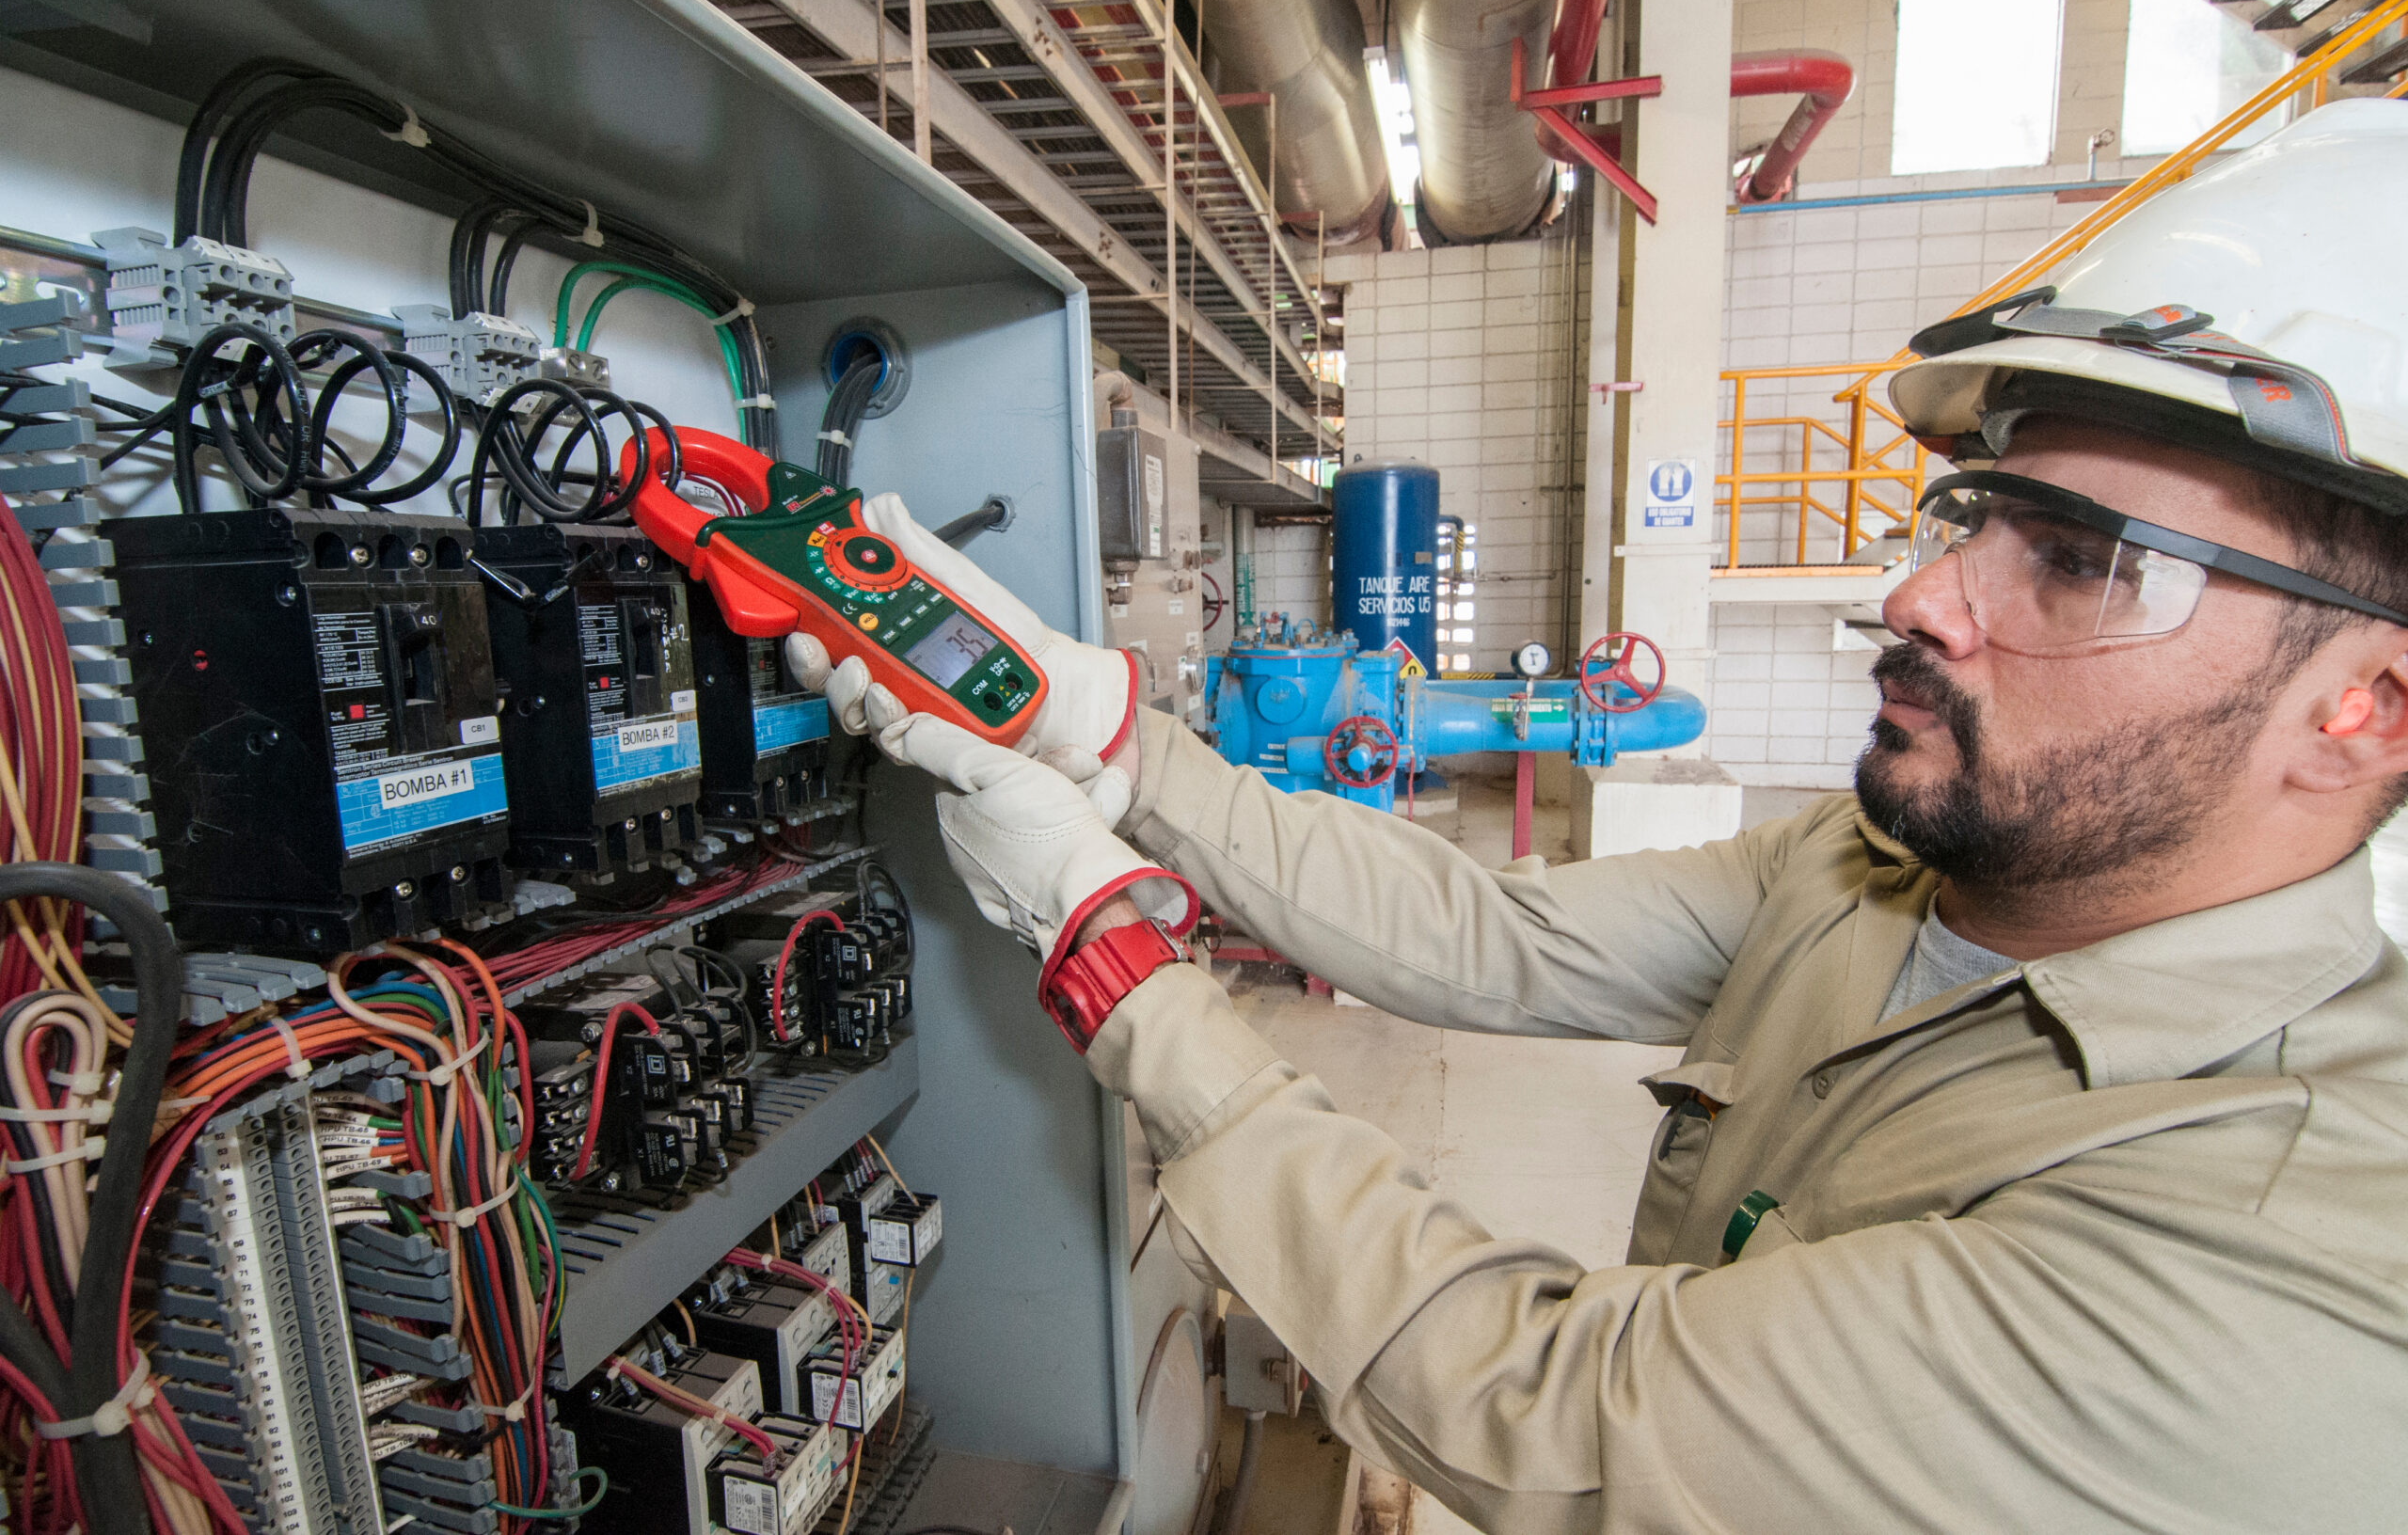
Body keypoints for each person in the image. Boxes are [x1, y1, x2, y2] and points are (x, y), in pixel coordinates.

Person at [786, 101, 2408, 1531]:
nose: (1916, 593)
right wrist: (1110, 733)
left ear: (2367, 707)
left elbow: (1557, 1409)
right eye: (1969, 517)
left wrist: (1107, 955)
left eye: (2080, 559)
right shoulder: (1890, 874)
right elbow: (1491, 932)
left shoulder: (2273, 1253)